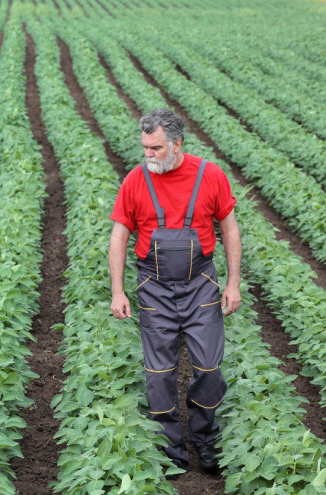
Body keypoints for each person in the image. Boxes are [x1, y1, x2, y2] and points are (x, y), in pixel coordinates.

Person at [107, 108, 241, 477]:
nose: (148, 155)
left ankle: (204, 437)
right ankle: (171, 450)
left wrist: (232, 283)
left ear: (177, 143)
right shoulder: (136, 180)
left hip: (201, 284)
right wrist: (118, 291)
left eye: (156, 148)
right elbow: (119, 236)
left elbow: (229, 228)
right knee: (159, 373)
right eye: (145, 148)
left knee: (209, 368)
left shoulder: (209, 175)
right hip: (155, 288)